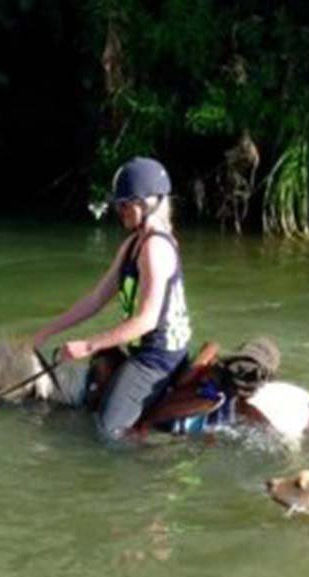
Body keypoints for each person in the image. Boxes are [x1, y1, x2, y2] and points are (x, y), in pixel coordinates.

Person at [32, 157, 192, 443]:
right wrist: (47, 331)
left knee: (107, 433)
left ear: (148, 203)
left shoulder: (155, 248)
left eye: (126, 204)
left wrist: (87, 345)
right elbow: (95, 299)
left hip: (157, 359)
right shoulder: (133, 244)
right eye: (120, 204)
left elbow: (147, 320)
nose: (120, 211)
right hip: (140, 351)